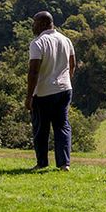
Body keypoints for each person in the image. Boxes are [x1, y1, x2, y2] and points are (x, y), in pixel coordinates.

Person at [25, 11, 76, 171]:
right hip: (64, 89)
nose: (33, 26)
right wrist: (66, 80)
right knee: (62, 126)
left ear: (42, 24)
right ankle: (64, 164)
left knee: (41, 128)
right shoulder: (65, 40)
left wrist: (29, 97)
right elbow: (72, 64)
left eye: (34, 23)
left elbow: (33, 72)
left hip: (44, 92)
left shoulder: (38, 43)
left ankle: (42, 163)